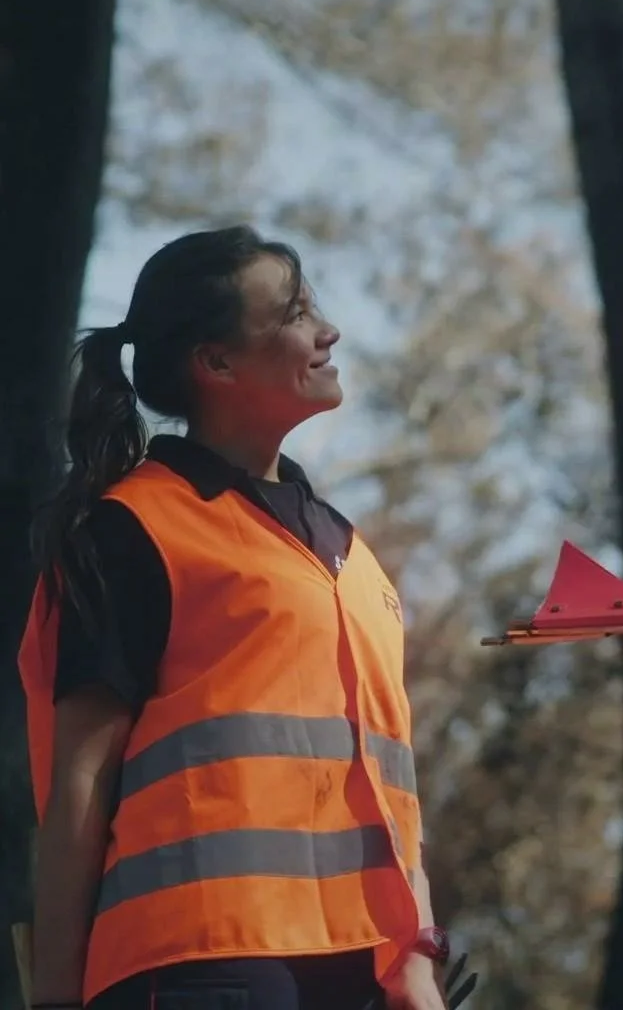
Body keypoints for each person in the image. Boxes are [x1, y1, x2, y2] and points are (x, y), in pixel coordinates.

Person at [18, 226, 452, 1010]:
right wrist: (54, 995)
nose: (329, 331)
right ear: (216, 364)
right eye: (295, 314)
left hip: (361, 970)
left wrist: (416, 959)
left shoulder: (349, 552)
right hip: (201, 962)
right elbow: (79, 781)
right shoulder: (134, 529)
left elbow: (388, 787)